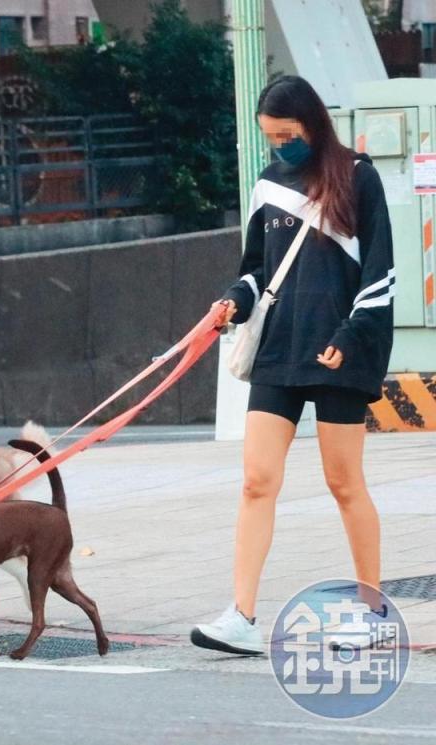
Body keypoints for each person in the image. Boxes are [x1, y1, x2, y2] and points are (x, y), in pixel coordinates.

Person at [191, 75, 395, 655]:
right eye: (270, 137)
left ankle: (372, 612)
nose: (280, 145)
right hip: (278, 350)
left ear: (311, 121)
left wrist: (352, 335)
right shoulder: (267, 185)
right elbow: (256, 269)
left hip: (339, 349)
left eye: (286, 134)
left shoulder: (359, 177)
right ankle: (242, 616)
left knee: (343, 482)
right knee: (257, 481)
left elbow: (380, 272)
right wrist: (235, 299)